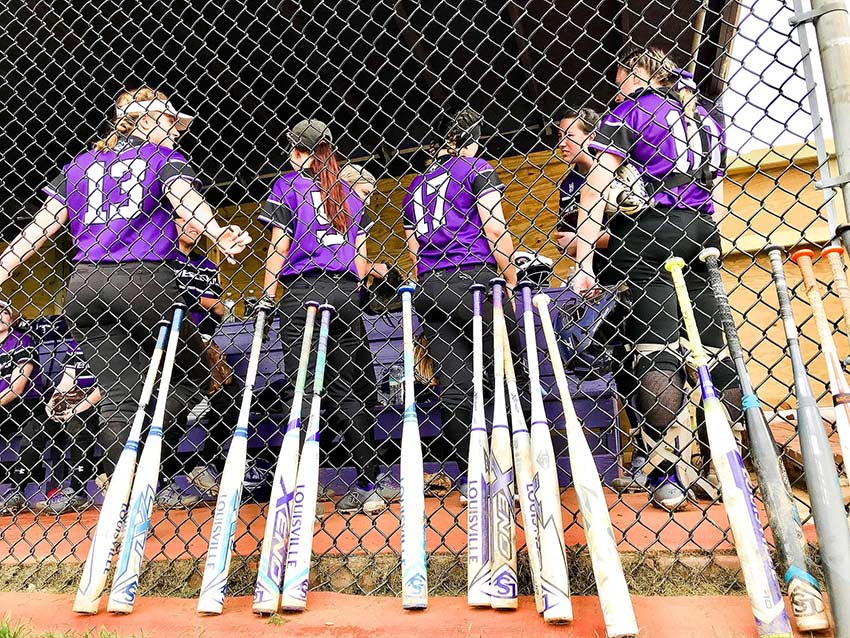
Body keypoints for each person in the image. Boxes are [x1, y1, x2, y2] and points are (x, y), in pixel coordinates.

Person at [0, 87, 251, 512]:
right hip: (144, 278)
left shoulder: (80, 165)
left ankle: (122, 490)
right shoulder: (162, 159)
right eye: (172, 123)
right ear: (148, 121)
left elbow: (42, 228)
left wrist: (4, 266)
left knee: (119, 395)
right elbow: (189, 204)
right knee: (193, 377)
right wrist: (218, 232)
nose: (177, 132)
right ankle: (147, 471)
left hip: (83, 286)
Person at [571, 47, 739, 511]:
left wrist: (583, 260)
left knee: (657, 350)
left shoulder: (629, 111)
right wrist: (710, 236)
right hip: (702, 230)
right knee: (713, 351)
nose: (616, 84)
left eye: (619, 75)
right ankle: (727, 465)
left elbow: (597, 184)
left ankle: (666, 473)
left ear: (632, 72)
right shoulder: (704, 116)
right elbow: (718, 189)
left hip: (650, 234)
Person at [259, 118, 397, 515]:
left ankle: (294, 483)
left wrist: (268, 297)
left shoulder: (288, 185)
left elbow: (278, 246)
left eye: (293, 148)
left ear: (302, 152)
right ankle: (369, 483)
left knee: (301, 388)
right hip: (345, 291)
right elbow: (360, 260)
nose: (290, 155)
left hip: (303, 291)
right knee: (345, 389)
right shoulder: (349, 194)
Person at [401, 106, 522, 502]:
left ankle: (473, 476)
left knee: (455, 387)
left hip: (432, 285)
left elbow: (413, 247)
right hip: (474, 276)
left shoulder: (415, 185)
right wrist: (509, 271)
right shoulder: (475, 167)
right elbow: (493, 223)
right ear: (468, 140)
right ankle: (513, 470)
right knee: (508, 371)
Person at [554, 107, 646, 492]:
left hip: (640, 274)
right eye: (558, 137)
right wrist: (592, 240)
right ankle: (639, 454)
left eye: (568, 135)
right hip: (599, 284)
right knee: (620, 365)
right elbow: (563, 239)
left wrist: (590, 237)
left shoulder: (622, 170)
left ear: (590, 136)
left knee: (650, 358)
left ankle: (657, 452)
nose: (560, 144)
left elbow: (639, 231)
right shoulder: (567, 184)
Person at [37, 338, 102, 514]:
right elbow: (67, 380)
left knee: (77, 424)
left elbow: (106, 384)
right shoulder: (75, 344)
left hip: (103, 399)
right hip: (77, 397)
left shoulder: (107, 339)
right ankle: (16, 491)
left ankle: (77, 490)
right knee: (36, 427)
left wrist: (77, 409)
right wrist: (53, 401)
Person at [0, 303, 41, 513]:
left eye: (4, 312)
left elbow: (16, 389)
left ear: (11, 319)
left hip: (27, 402)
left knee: (35, 428)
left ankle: (16, 491)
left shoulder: (21, 341)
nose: (0, 315)